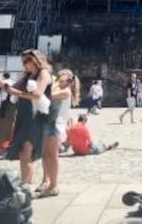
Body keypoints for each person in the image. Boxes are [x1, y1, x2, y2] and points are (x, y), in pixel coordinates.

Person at [1, 49, 52, 185]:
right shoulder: (26, 76)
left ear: (35, 60)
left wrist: (14, 92)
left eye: (26, 61)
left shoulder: (43, 73)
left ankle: (24, 187)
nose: (24, 64)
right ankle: (26, 185)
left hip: (35, 116)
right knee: (24, 154)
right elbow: (13, 88)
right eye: (23, 61)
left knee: (26, 153)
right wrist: (4, 86)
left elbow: (37, 94)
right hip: (24, 115)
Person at [34, 68, 80, 198]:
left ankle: (53, 185)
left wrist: (54, 82)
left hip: (56, 125)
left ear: (68, 80)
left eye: (62, 77)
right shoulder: (61, 89)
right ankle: (46, 180)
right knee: (45, 154)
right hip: (49, 122)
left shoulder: (65, 91)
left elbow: (49, 95)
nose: (58, 79)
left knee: (52, 155)